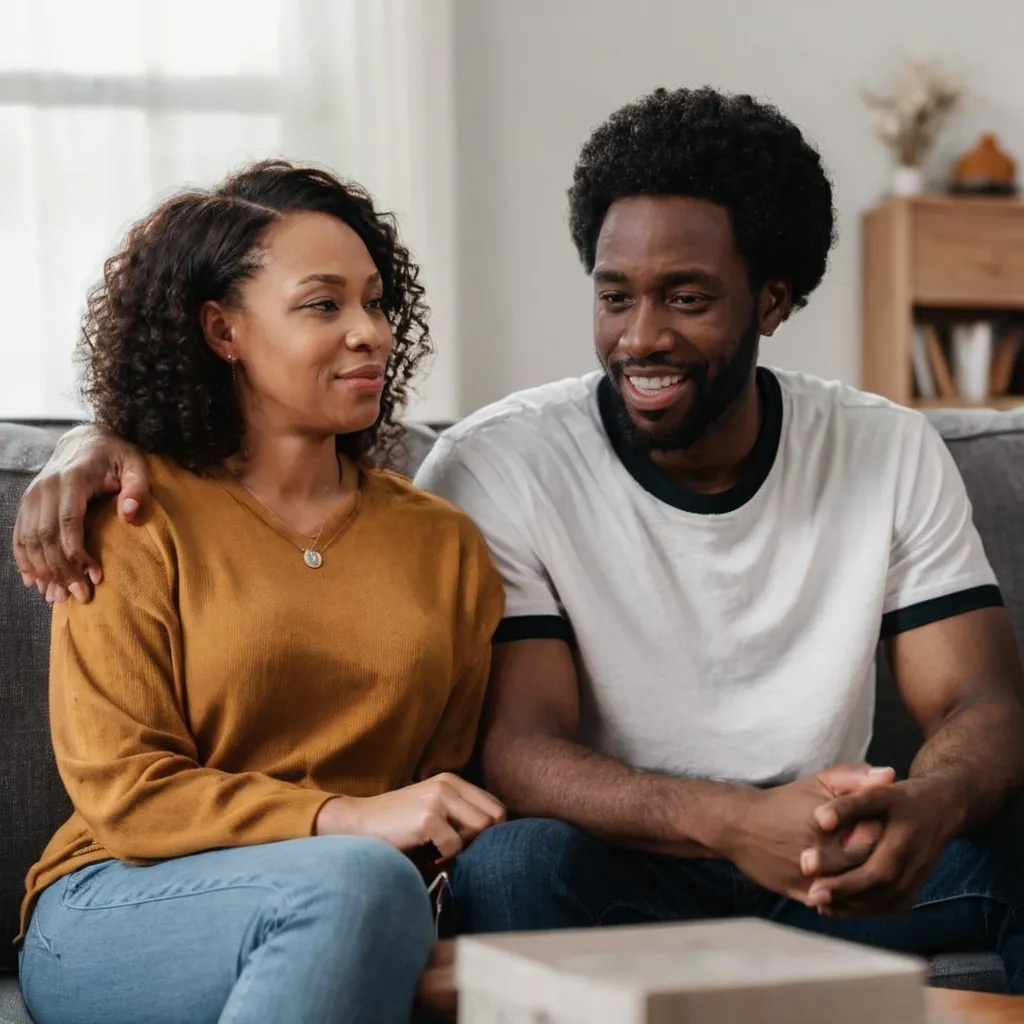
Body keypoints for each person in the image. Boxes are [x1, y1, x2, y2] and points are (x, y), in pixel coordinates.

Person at [12, 89, 1024, 989]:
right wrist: (97, 444)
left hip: (810, 867)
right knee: (496, 866)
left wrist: (922, 808)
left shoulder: (434, 537)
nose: (639, 336)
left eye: (687, 297)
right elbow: (512, 750)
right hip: (560, 869)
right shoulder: (152, 509)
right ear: (222, 329)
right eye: (614, 294)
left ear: (771, 299)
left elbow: (978, 701)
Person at [13, 160, 506, 1024]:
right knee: (356, 885)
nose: (371, 333)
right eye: (324, 305)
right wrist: (343, 819)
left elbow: (439, 788)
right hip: (120, 900)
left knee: (378, 888)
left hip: (362, 896)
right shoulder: (131, 514)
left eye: (377, 302)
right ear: (223, 330)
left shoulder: (445, 544)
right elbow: (126, 792)